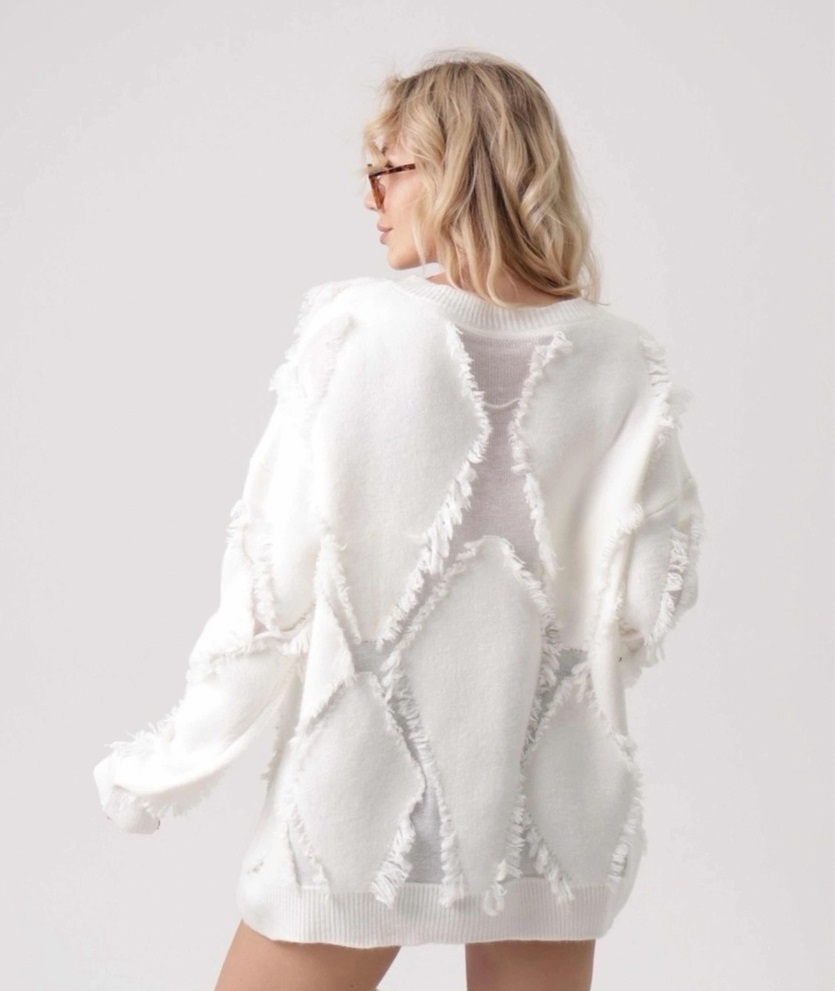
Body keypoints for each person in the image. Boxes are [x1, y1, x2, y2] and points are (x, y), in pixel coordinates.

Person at [93, 50, 705, 991]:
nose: (370, 196)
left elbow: (269, 593)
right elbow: (648, 601)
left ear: (458, 169)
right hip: (550, 812)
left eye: (389, 168)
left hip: (359, 803)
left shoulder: (362, 330)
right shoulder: (623, 359)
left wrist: (169, 764)